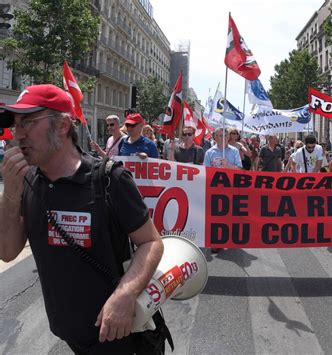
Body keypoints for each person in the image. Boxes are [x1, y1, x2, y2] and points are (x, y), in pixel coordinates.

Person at [0, 84, 166, 353]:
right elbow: (7, 252)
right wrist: (10, 193)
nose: (17, 134)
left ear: (63, 125)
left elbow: (151, 242)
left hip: (119, 334)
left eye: (28, 122)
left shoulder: (109, 179)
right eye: (15, 125)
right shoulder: (27, 180)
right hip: (70, 334)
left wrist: (125, 294)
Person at [204, 127, 242, 254]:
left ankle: (228, 237)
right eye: (220, 135)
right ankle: (216, 241)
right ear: (215, 137)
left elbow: (240, 170)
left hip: (230, 188)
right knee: (216, 215)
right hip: (216, 188)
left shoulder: (234, 151)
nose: (223, 138)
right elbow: (205, 171)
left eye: (226, 135)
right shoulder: (209, 152)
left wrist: (228, 166)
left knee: (230, 214)